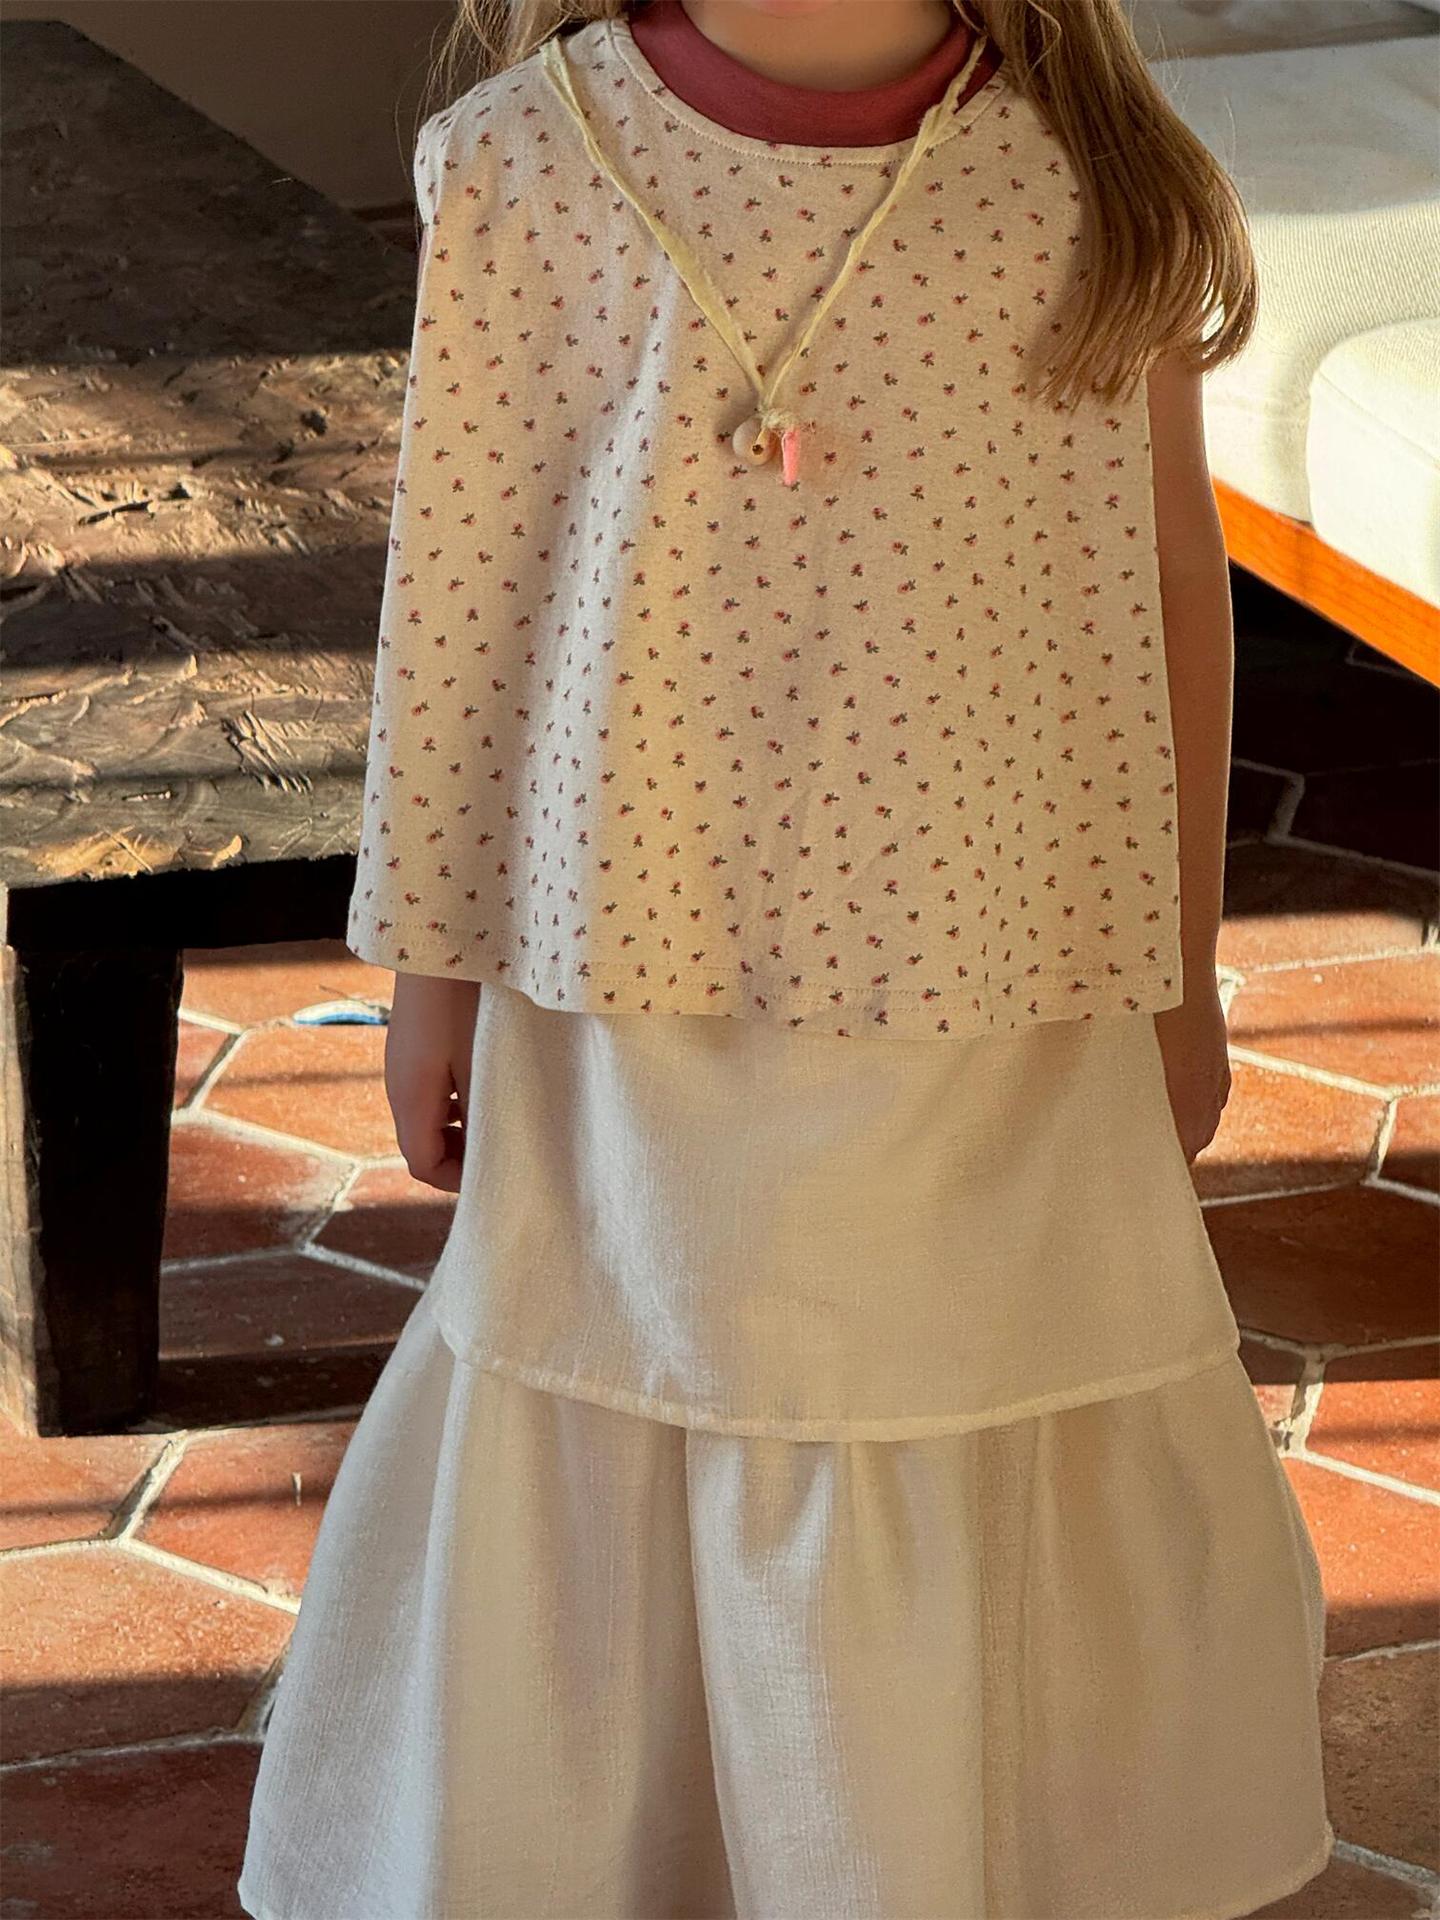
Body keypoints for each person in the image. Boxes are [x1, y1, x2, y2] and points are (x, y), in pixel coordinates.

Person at [238, 1, 1334, 1914]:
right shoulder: (519, 159)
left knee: (955, 1366)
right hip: (630, 958)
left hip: (1004, 969)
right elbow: (465, 592)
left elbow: (1170, 589)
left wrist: (1181, 972)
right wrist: (430, 977)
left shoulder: (1094, 177)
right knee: (644, 1353)